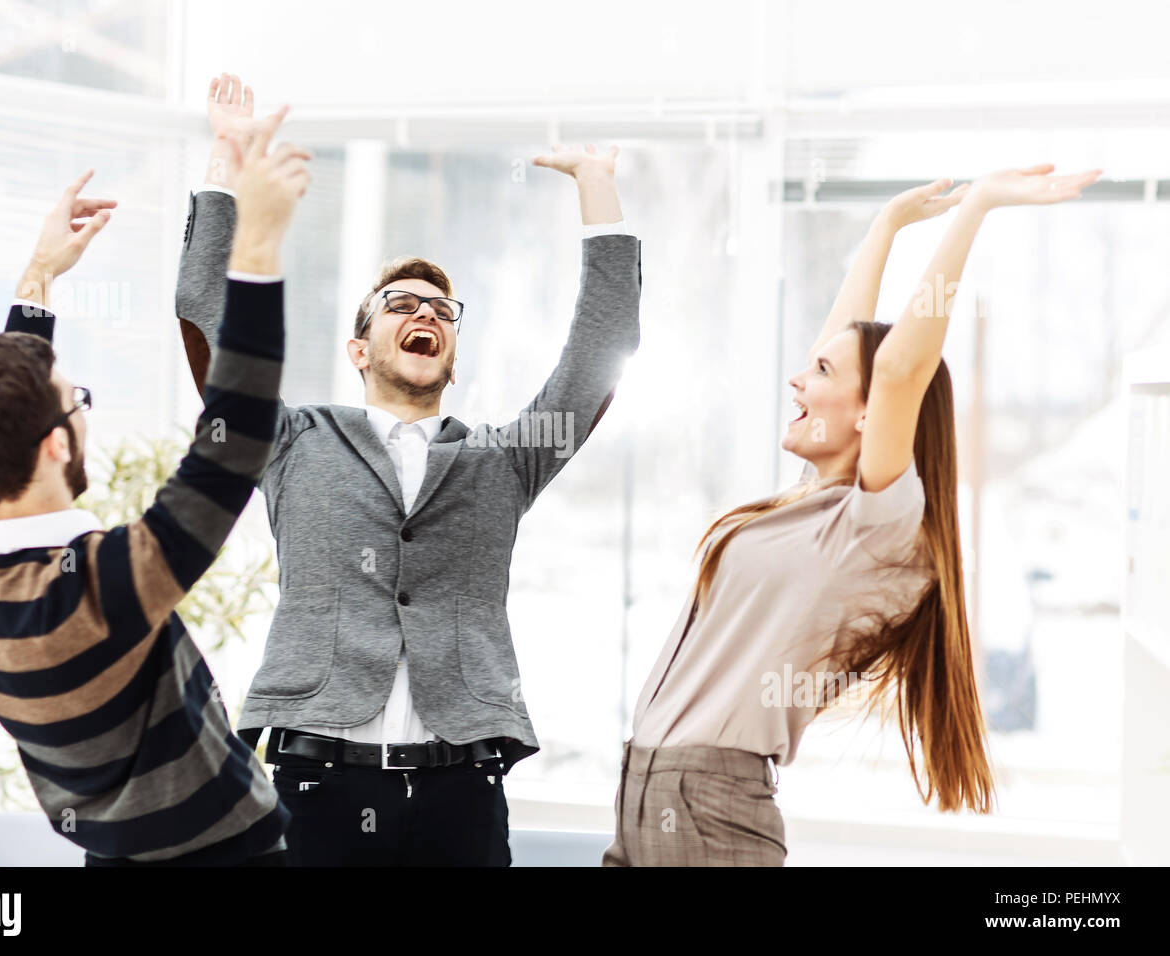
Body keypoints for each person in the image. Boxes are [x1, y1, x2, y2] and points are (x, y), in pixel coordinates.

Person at [174, 73, 642, 866]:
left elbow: (597, 360)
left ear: (451, 357)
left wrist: (598, 193)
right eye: (399, 304)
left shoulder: (502, 462)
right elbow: (204, 317)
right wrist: (226, 167)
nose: (423, 313)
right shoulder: (290, 439)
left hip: (461, 792)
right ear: (359, 351)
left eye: (439, 310)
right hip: (314, 788)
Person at [604, 163, 1101, 867]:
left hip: (708, 804)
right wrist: (884, 229)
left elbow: (898, 369)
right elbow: (856, 351)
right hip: (646, 789)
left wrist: (978, 208)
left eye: (822, 377)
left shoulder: (879, 528)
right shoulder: (816, 505)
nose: (798, 381)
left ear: (872, 414)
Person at [0, 108, 312, 865]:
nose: (83, 408)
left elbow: (4, 409)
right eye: (77, 398)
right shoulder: (105, 589)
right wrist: (258, 242)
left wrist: (41, 275)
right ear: (58, 442)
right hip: (221, 854)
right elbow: (237, 437)